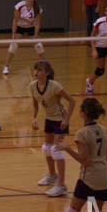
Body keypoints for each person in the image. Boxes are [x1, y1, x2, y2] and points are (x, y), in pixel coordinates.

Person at [54, 98, 107, 212]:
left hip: (89, 178)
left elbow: (85, 161)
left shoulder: (82, 133)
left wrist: (67, 148)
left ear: (83, 113)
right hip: (104, 177)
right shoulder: (103, 130)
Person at [30, 60, 75, 197]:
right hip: (49, 118)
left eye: (40, 70)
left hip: (60, 120)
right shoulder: (32, 86)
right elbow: (36, 105)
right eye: (35, 69)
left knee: (55, 150)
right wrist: (33, 118)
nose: (36, 72)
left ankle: (61, 185)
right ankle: (52, 175)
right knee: (46, 148)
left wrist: (66, 120)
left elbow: (72, 101)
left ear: (47, 73)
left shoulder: (55, 86)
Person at [2, 0, 44, 75]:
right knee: (13, 44)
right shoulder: (19, 6)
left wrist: (35, 36)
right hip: (20, 27)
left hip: (31, 28)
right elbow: (15, 20)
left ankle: (44, 66)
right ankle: (6, 66)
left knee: (38, 45)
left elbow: (37, 23)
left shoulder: (37, 8)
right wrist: (13, 34)